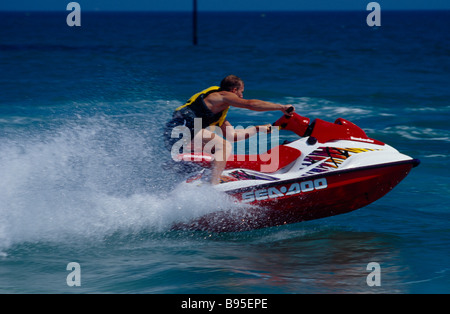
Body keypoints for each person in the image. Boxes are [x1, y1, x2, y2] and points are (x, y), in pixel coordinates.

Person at [164, 75, 294, 185]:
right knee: (223, 146)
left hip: (178, 135)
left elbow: (233, 136)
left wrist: (257, 129)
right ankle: (214, 185)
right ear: (234, 90)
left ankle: (196, 182)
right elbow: (250, 104)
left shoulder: (218, 111)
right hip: (181, 129)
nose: (241, 96)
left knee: (216, 152)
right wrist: (281, 107)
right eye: (241, 92)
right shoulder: (221, 96)